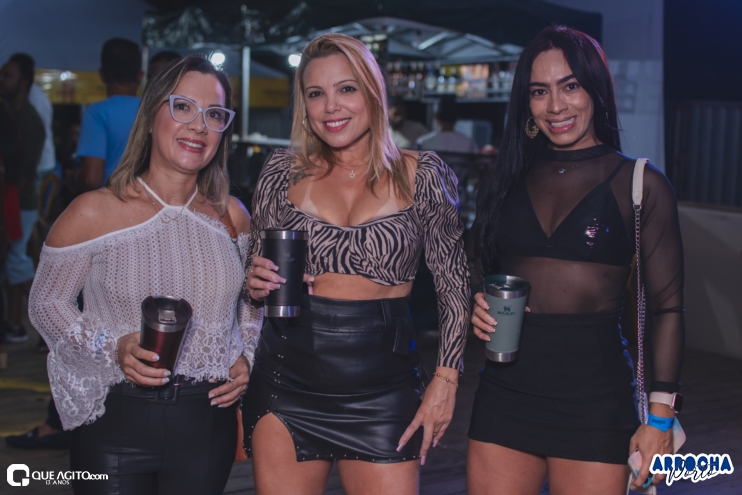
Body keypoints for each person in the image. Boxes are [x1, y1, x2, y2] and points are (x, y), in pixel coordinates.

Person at [243, 33, 469, 495]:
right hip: (286, 379)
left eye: (346, 88)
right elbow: (254, 273)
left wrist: (446, 379)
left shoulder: (423, 174)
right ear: (304, 105)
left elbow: (454, 285)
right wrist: (252, 280)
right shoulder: (280, 171)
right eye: (315, 93)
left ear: (372, 92)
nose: (331, 106)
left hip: (384, 391)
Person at [27, 53, 260, 494]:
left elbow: (250, 299)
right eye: (182, 106)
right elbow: (46, 303)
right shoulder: (93, 211)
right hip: (116, 426)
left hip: (206, 426)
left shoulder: (232, 215)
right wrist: (111, 347)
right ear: (152, 115)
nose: (198, 126)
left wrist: (246, 353)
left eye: (214, 114)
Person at [467, 26, 684, 494]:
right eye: (539, 91)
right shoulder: (505, 180)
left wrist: (661, 419)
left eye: (570, 86)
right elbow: (474, 261)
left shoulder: (641, 184)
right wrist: (476, 299)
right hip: (504, 395)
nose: (555, 106)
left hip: (595, 402)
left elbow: (666, 307)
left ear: (595, 90)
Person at [0, 53, 45, 344]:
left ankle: (52, 326)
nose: (2, 80)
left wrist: (8, 209)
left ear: (24, 82)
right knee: (13, 264)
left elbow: (26, 172)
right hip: (12, 200)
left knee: (16, 261)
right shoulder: (10, 113)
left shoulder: (29, 120)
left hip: (18, 202)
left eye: (8, 76)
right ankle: (15, 325)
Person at [76, 38, 142, 191]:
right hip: (149, 199)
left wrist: (73, 179)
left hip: (110, 200)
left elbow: (92, 179)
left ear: (102, 74)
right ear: (140, 76)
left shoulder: (96, 113)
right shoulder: (153, 109)